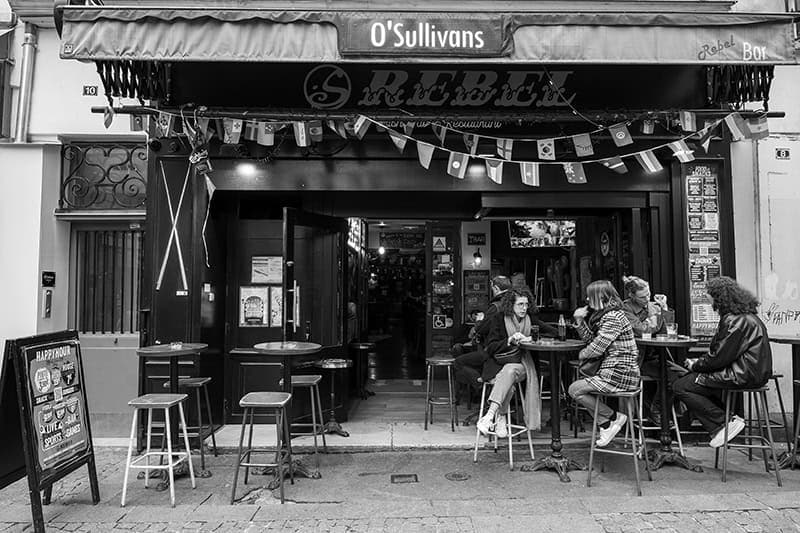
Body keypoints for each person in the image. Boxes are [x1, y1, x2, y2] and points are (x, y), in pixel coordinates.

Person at [672, 276, 773, 448]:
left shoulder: (734, 320)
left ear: (718, 296)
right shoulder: (742, 316)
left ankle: (724, 423)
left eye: (709, 294)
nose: (706, 297)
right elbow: (723, 354)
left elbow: (719, 357)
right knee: (691, 380)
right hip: (749, 371)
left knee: (680, 386)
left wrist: (695, 364)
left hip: (741, 374)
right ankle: (725, 421)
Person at [569, 280, 640, 447]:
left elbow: (596, 349)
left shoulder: (613, 317)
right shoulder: (606, 315)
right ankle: (607, 424)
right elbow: (592, 340)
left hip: (621, 372)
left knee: (575, 390)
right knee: (578, 390)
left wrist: (579, 355)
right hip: (615, 371)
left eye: (590, 296)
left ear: (600, 296)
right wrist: (579, 321)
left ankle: (613, 418)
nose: (587, 299)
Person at [476, 287, 544, 438]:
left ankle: (489, 416)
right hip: (500, 365)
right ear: (510, 305)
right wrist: (509, 340)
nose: (524, 308)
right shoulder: (499, 318)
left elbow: (548, 331)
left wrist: (533, 339)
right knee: (508, 376)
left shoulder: (531, 320)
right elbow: (491, 347)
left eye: (526, 304)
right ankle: (500, 417)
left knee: (510, 371)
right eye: (520, 304)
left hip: (525, 364)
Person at [621, 275, 677, 423]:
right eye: (642, 297)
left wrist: (664, 308)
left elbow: (667, 332)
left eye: (648, 294)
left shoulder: (654, 306)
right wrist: (656, 315)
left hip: (658, 355)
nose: (647, 299)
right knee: (671, 378)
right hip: (637, 359)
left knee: (683, 375)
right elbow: (641, 330)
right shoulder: (625, 308)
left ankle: (658, 411)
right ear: (631, 296)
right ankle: (657, 412)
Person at [452, 276, 511, 393]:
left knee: (458, 362)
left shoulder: (495, 307)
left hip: (491, 352)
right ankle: (486, 385)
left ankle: (481, 384)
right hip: (508, 351)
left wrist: (479, 320)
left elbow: (482, 329)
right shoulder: (513, 303)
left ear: (495, 288)